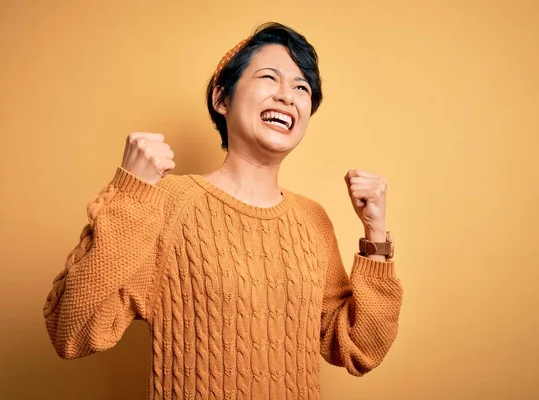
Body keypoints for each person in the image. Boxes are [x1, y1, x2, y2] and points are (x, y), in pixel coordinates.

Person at [43, 21, 403, 400]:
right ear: (221, 98)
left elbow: (361, 348)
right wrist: (130, 191)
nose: (288, 96)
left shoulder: (313, 219)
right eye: (270, 78)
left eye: (302, 88)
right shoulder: (167, 201)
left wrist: (375, 234)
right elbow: (72, 330)